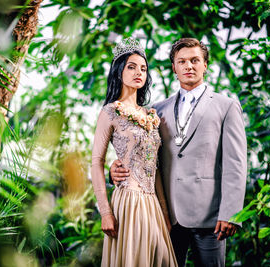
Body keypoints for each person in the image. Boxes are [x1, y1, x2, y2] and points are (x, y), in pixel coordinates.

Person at [110, 38, 247, 266]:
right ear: (174, 67)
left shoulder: (226, 106)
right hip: (165, 216)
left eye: (195, 60)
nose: (189, 66)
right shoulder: (156, 110)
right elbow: (141, 153)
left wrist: (230, 213)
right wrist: (115, 169)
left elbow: (236, 164)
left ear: (205, 64)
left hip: (211, 216)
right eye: (182, 61)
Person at [91, 37, 177, 266]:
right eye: (131, 67)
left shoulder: (151, 116)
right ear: (119, 71)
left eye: (143, 68)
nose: (139, 72)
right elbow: (96, 161)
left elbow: (154, 167)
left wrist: (165, 213)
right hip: (128, 202)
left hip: (153, 206)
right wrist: (105, 213)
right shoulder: (109, 112)